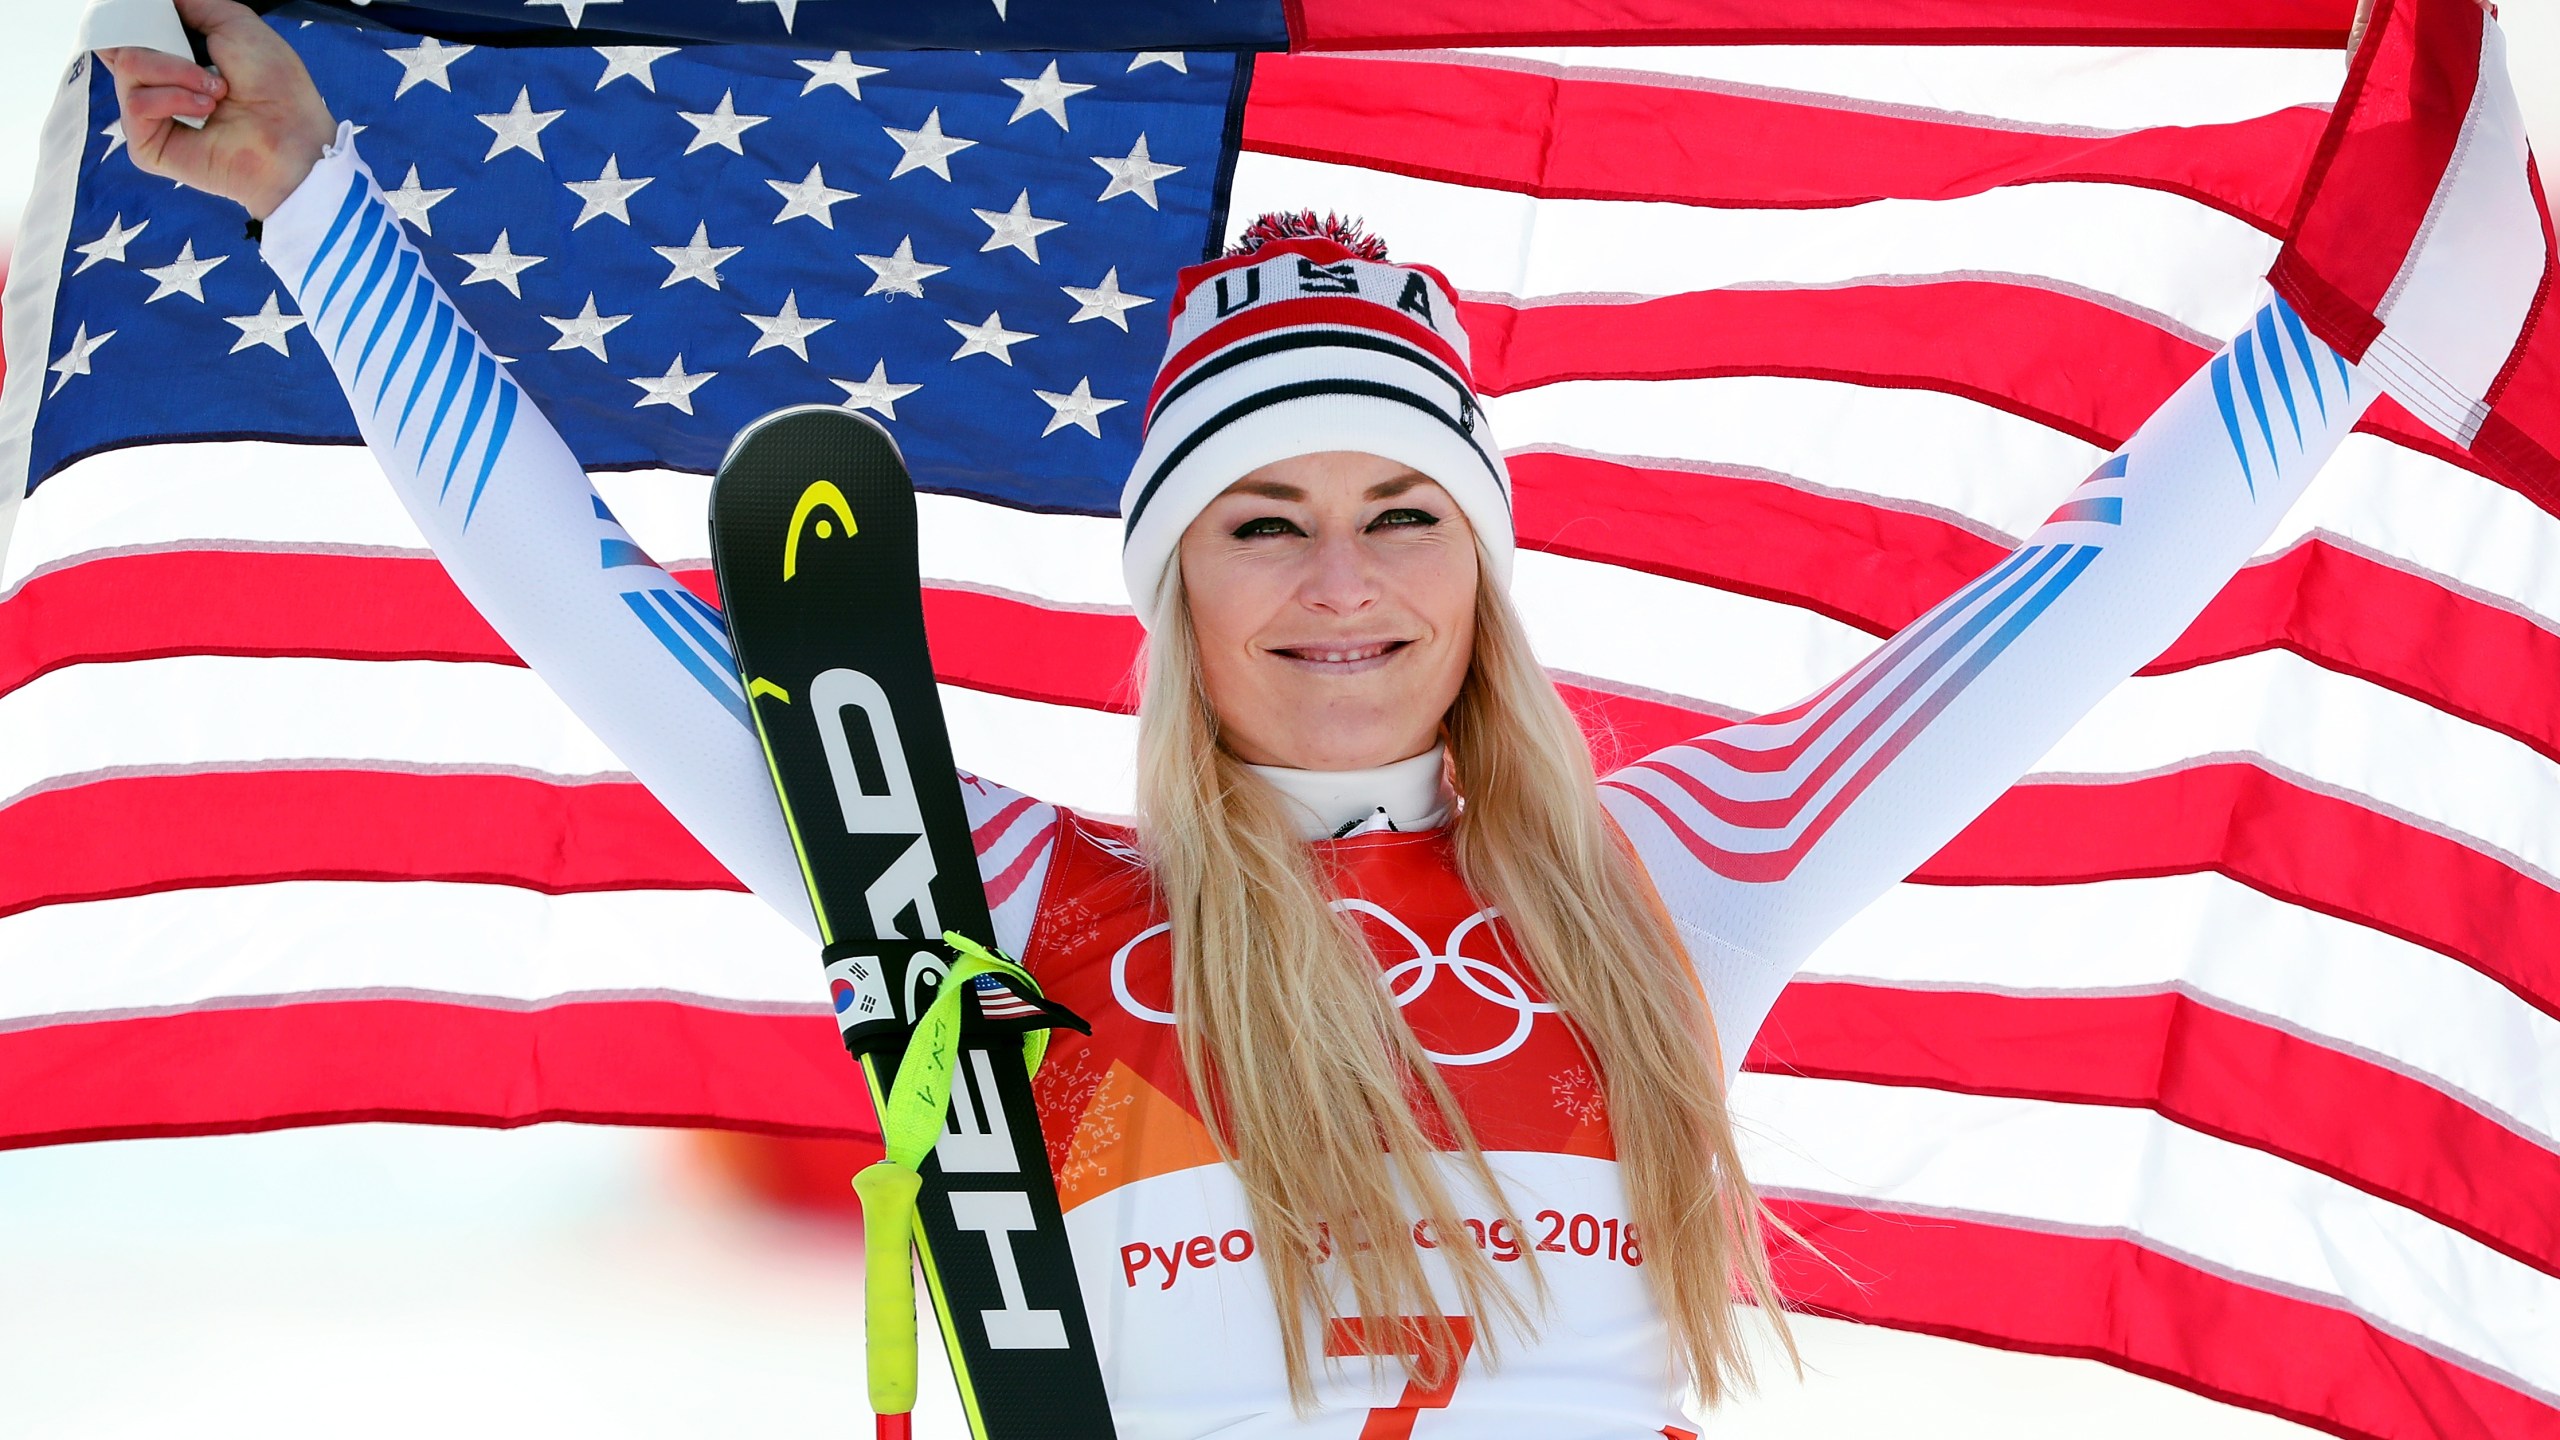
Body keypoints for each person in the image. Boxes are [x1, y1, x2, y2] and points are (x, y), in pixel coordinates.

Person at [101, 0, 2504, 1435]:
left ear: (1481, 563)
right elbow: (600, 610)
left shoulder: (1682, 877)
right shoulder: (1005, 905)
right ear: (1168, 587)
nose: (1340, 584)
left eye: (1400, 513)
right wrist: (314, 208)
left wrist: (2365, 294)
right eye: (1257, 524)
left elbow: (2078, 593)